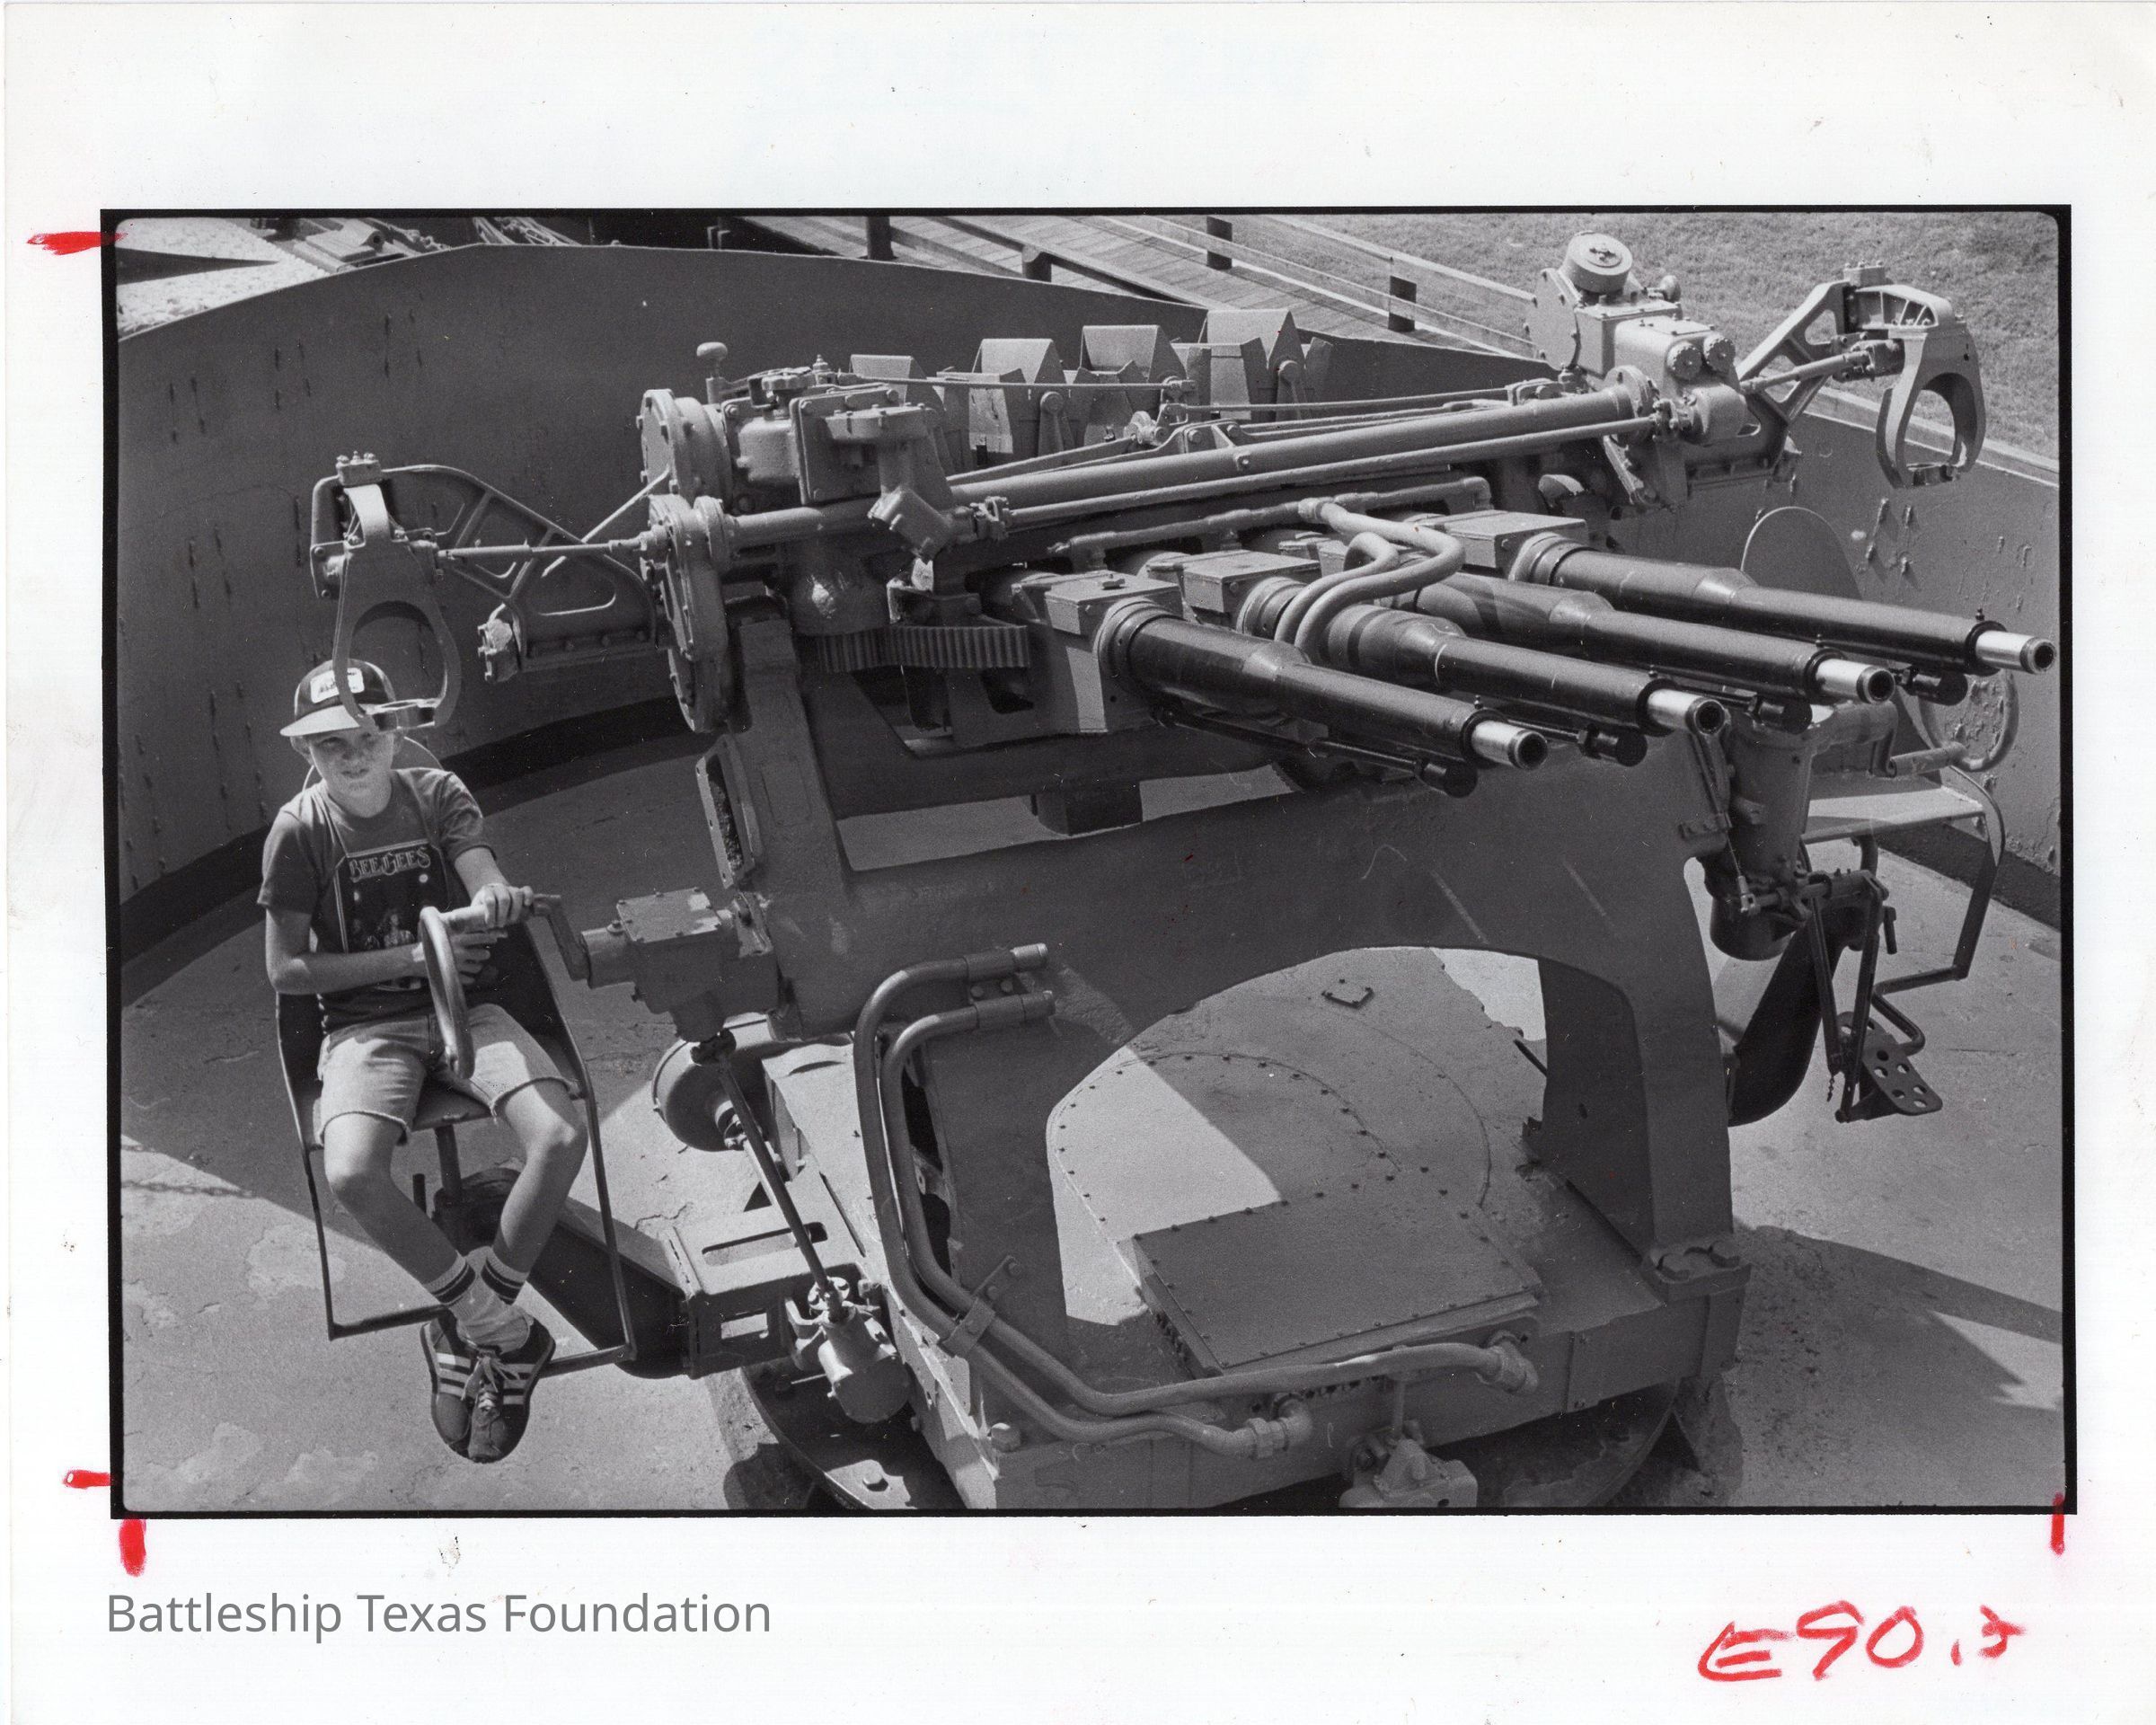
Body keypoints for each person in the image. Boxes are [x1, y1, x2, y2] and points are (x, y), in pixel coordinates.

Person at [260, 659, 584, 1464]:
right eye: (331, 745)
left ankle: (470, 1325)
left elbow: (481, 870)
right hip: (366, 1028)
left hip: (469, 1010)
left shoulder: (438, 795)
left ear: (397, 731)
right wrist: (412, 955)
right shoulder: (299, 832)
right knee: (352, 1171)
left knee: (559, 1137)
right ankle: (501, 1331)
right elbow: (286, 969)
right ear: (307, 753)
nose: (353, 756)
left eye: (368, 736)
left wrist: (494, 894)